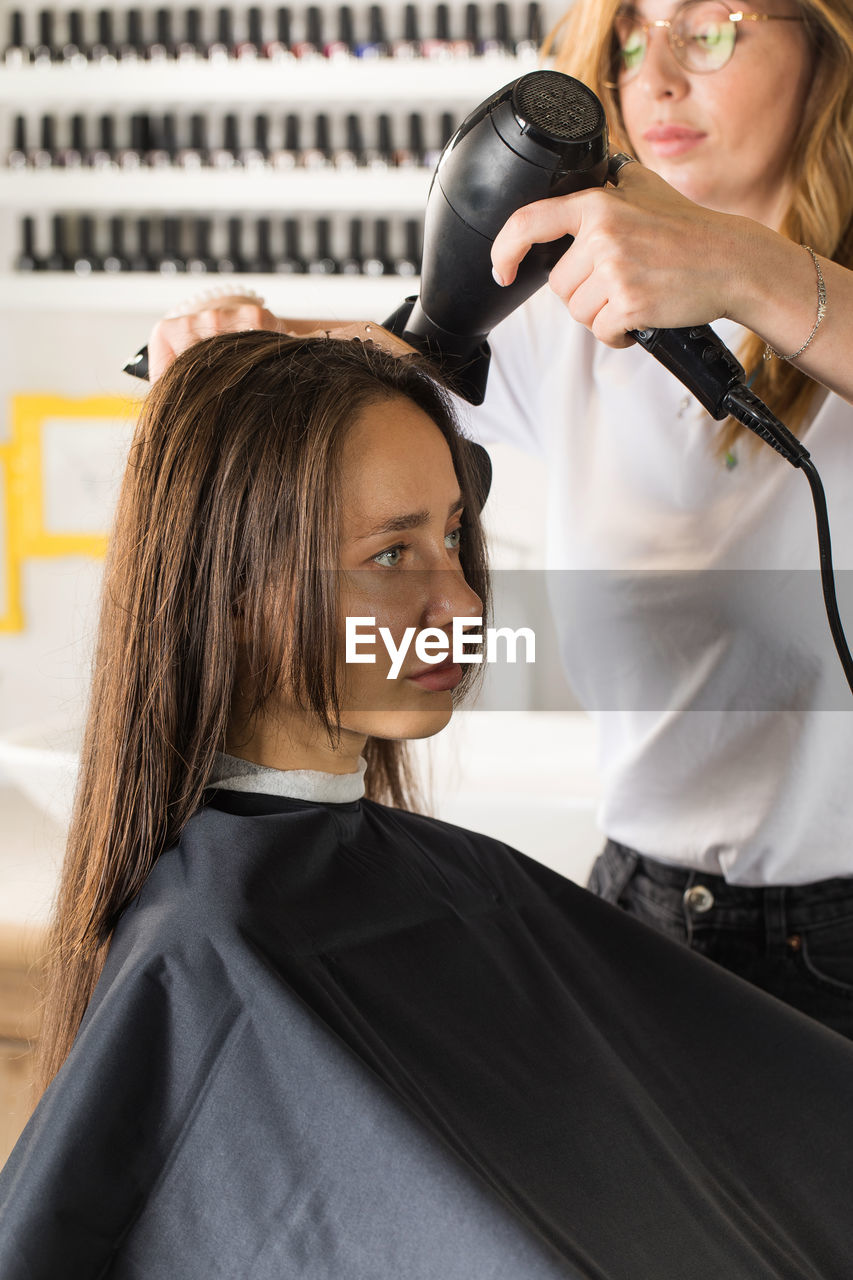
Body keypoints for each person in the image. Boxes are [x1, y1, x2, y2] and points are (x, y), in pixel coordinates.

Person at [3, 327, 853, 1279]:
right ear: (234, 587)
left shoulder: (440, 879)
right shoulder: (208, 949)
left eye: (452, 536)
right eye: (392, 553)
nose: (462, 603)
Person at [146, 0, 853, 1037]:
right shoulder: (570, 319)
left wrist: (743, 267)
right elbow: (399, 359)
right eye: (626, 35)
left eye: (708, 32)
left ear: (825, 50)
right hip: (637, 916)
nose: (651, 76)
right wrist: (239, 340)